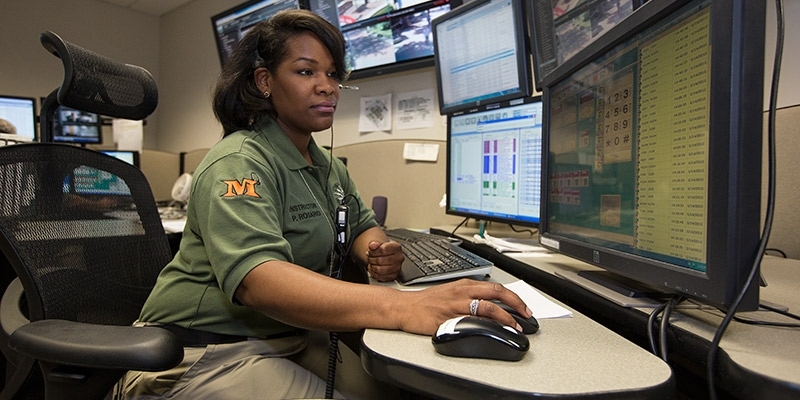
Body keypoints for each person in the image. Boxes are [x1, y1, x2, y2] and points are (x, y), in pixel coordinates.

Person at [116, 9, 532, 400]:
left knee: (395, 390)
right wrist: (405, 306)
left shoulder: (327, 164)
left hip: (289, 337)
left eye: (332, 73)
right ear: (265, 81)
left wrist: (374, 250)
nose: (326, 85)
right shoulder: (239, 161)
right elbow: (258, 280)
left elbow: (362, 223)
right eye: (305, 71)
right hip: (199, 352)